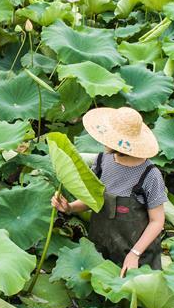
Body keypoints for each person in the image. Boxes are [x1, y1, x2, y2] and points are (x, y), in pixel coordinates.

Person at [51, 106, 167, 277]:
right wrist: (69, 208)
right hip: (100, 246)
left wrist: (134, 255)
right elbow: (93, 200)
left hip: (137, 252)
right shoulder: (102, 161)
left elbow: (157, 221)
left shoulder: (150, 175)